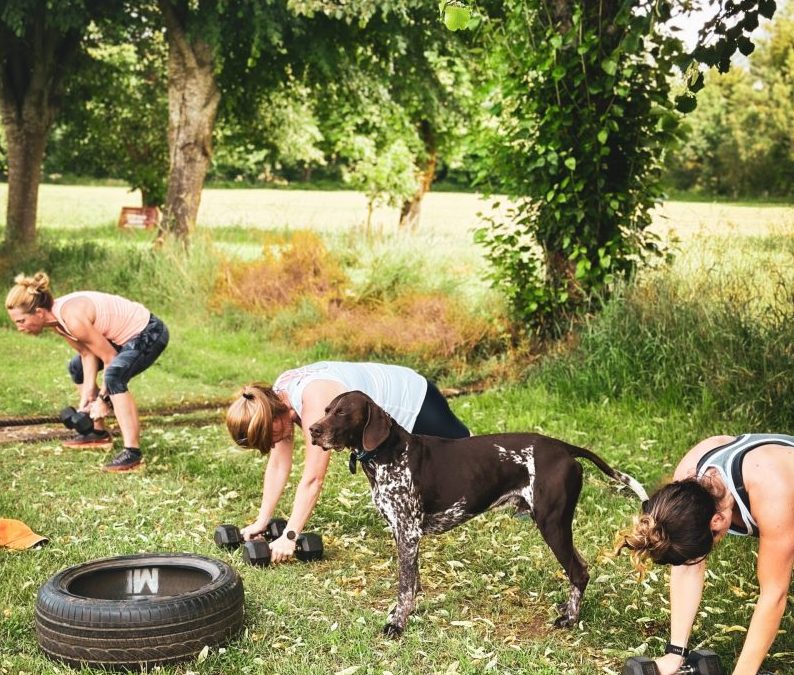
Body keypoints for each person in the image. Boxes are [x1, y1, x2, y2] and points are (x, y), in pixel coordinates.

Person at [226, 360, 470, 562]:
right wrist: (261, 521)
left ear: (274, 418)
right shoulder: (279, 398)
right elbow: (279, 465)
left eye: (269, 438)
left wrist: (290, 536)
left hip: (414, 398)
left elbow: (313, 478)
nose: (271, 445)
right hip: (379, 414)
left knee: (465, 457)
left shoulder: (315, 403)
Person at [615, 434, 794, 675]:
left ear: (717, 521)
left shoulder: (774, 491)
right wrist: (675, 655)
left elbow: (774, 594)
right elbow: (688, 564)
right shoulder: (689, 479)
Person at [5, 272, 169, 472]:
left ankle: (132, 453)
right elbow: (86, 353)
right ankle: (97, 433)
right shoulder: (56, 321)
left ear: (39, 313)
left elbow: (109, 357)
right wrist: (87, 396)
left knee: (114, 375)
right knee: (76, 368)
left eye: (21, 321)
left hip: (148, 332)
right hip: (121, 341)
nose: (19, 328)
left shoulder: (71, 318)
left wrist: (102, 399)